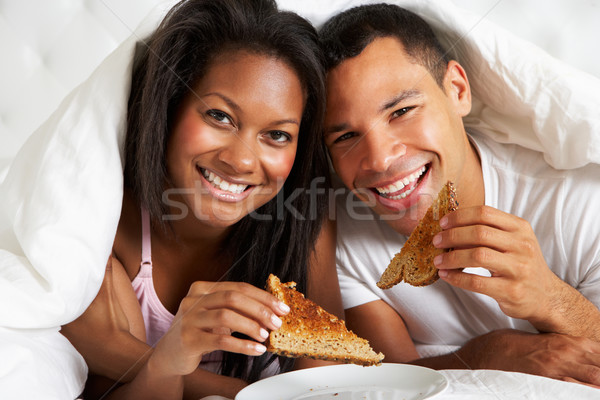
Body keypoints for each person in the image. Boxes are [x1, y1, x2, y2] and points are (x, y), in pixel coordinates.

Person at [60, 0, 341, 399]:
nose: (241, 160)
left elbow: (327, 382)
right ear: (170, 108)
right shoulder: (106, 230)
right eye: (220, 116)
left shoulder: (303, 223)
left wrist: (137, 358)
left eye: (277, 135)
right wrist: (168, 362)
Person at [319, 3, 600, 386]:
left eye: (402, 111)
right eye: (346, 136)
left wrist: (552, 299)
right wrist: (484, 355)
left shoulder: (579, 204)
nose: (381, 159)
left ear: (458, 90)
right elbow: (383, 383)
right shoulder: (345, 243)